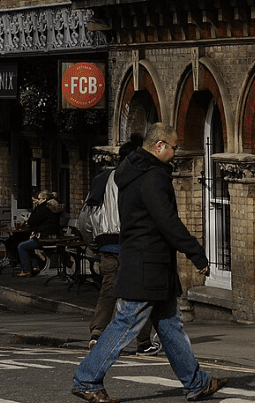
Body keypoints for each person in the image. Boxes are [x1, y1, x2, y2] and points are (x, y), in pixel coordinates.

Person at [72, 123, 225, 403]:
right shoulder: (153, 176)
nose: (176, 152)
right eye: (174, 147)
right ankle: (87, 379)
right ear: (160, 146)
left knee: (170, 326)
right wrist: (196, 253)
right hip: (147, 264)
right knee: (125, 324)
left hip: (150, 263)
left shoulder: (132, 172)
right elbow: (166, 221)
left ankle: (195, 383)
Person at [85, 140, 158, 353]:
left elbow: (86, 217)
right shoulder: (142, 179)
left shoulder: (101, 180)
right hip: (133, 246)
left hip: (107, 246)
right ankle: (143, 342)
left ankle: (97, 333)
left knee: (108, 290)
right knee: (141, 293)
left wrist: (94, 243)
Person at [15, 190, 64, 278]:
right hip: (51, 236)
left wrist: (35, 209)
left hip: (45, 238)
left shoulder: (43, 209)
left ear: (44, 199)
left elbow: (32, 221)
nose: (37, 200)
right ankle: (34, 266)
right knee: (27, 245)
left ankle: (27, 270)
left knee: (21, 246)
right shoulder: (51, 207)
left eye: (39, 199)